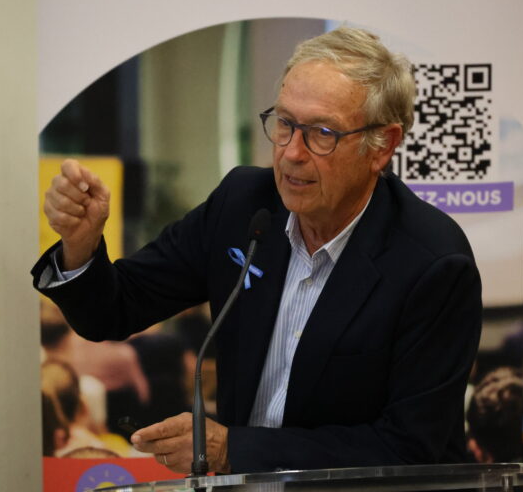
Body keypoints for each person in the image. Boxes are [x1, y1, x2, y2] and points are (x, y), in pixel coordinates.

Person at [32, 27, 482, 474]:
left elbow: (408, 449)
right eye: (285, 123)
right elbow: (113, 311)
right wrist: (81, 244)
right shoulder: (244, 203)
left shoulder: (434, 264)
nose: (291, 153)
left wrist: (235, 450)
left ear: (382, 145)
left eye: (322, 133)